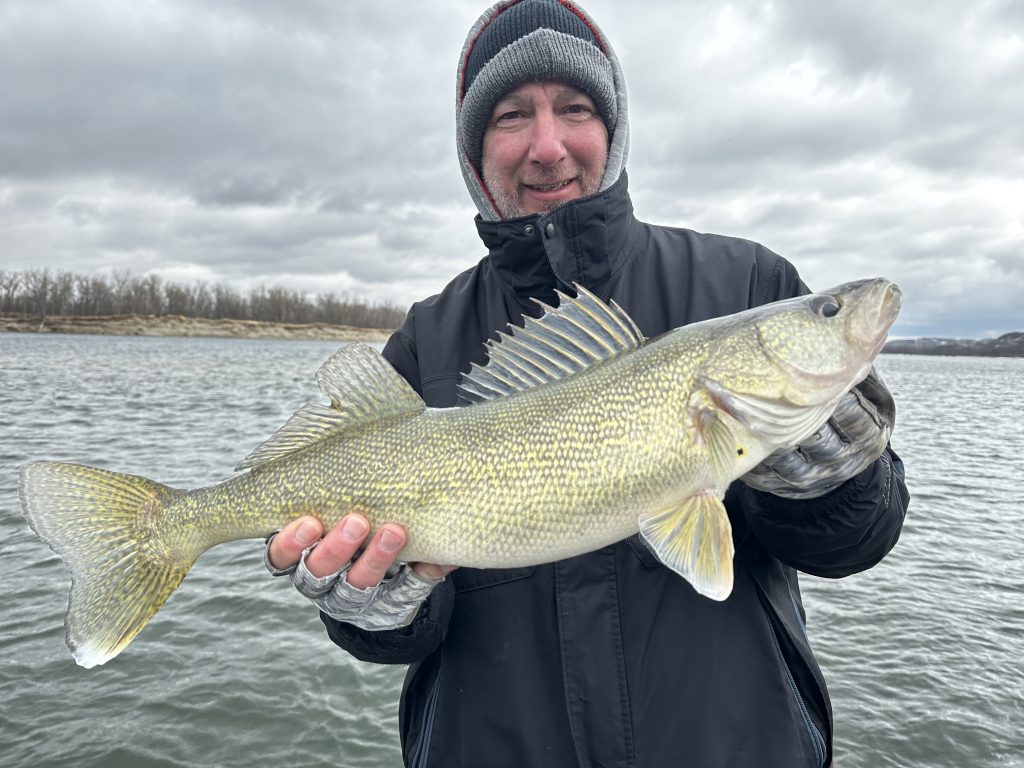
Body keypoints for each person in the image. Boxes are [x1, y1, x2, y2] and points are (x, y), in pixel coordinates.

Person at [266, 2, 909, 766]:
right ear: (474, 151)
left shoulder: (747, 283)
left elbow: (854, 545)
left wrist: (837, 483)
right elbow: (401, 633)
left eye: (574, 108)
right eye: (512, 115)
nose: (548, 146)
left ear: (613, 129)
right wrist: (371, 609)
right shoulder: (425, 340)